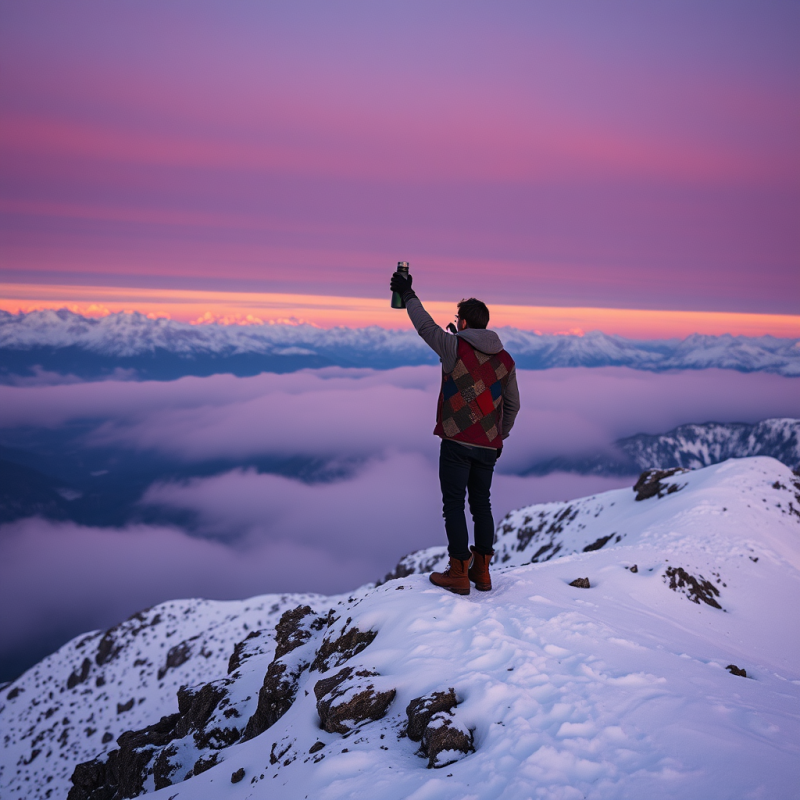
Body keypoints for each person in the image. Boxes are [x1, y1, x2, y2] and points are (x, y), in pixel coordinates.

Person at [390, 270, 520, 595]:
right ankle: (483, 573)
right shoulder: (505, 360)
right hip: (489, 447)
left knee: (453, 505)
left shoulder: (453, 348)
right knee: (482, 504)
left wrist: (407, 293)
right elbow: (513, 406)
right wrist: (498, 437)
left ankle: (459, 572)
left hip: (456, 443)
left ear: (462, 322)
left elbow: (424, 326)